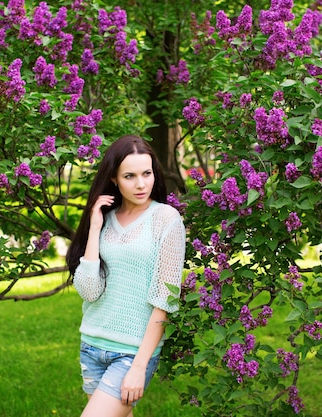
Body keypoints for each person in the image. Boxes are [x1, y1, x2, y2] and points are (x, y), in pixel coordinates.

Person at [66, 135, 186, 417]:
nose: (141, 184)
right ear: (114, 179)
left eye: (147, 173)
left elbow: (164, 301)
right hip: (92, 346)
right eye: (130, 176)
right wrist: (94, 228)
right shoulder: (105, 221)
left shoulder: (166, 220)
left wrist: (140, 366)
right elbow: (89, 291)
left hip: (131, 353)